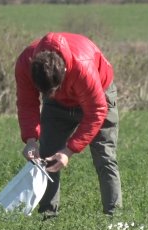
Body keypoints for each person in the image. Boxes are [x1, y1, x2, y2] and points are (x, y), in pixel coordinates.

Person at [15, 32, 122, 218]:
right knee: (46, 157)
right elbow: (27, 103)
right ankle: (47, 218)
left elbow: (96, 111)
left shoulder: (83, 67)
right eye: (46, 92)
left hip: (98, 96)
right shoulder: (25, 63)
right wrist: (31, 140)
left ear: (64, 71)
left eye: (54, 90)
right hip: (57, 107)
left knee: (105, 157)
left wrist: (69, 151)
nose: (53, 94)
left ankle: (115, 219)